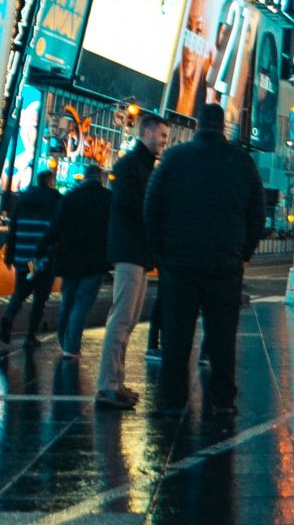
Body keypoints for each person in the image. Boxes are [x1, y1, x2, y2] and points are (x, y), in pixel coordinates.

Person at [144, 103, 264, 418]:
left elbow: (151, 208)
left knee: (176, 337)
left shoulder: (174, 158)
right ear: (223, 126)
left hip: (179, 266)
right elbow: (258, 216)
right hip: (224, 266)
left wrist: (162, 254)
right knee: (223, 337)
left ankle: (173, 399)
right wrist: (243, 253)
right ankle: (222, 399)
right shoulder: (242, 161)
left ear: (197, 125)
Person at [98, 113, 165, 410]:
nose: (165, 141)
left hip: (137, 251)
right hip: (129, 250)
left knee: (130, 319)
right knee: (122, 318)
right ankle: (108, 385)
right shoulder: (129, 166)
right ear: (147, 133)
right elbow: (128, 205)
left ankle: (117, 382)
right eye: (162, 135)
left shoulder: (145, 168)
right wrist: (154, 217)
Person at [39, 163, 112, 360]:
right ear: (100, 177)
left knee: (68, 301)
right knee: (82, 303)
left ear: (84, 177)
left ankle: (64, 340)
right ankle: (71, 346)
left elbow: (55, 226)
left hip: (69, 259)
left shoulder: (70, 197)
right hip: (95, 260)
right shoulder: (107, 199)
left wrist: (41, 248)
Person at [1, 169, 62, 345]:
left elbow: (12, 229)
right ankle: (30, 336)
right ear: (50, 181)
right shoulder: (55, 199)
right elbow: (58, 229)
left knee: (21, 291)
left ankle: (8, 315)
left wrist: (9, 256)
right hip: (41, 259)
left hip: (24, 257)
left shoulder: (23, 198)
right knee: (40, 297)